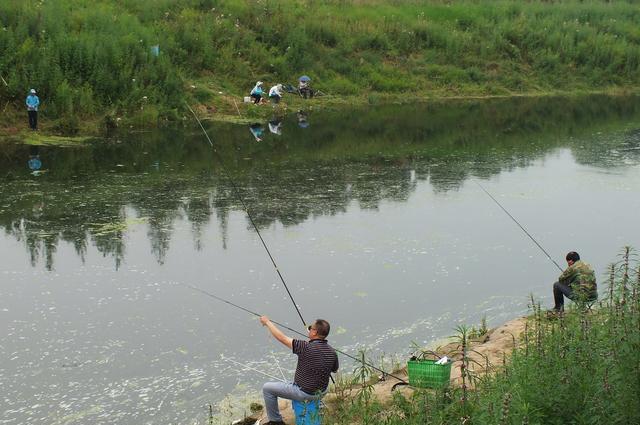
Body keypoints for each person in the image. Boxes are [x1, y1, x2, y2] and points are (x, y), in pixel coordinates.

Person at [259, 316, 338, 425]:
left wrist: (267, 322)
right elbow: (334, 369)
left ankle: (275, 421)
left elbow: (282, 338)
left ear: (314, 332)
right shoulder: (332, 352)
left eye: (310, 328)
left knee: (267, 388)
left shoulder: (305, 347)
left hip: (304, 393)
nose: (309, 329)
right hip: (322, 392)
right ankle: (315, 406)